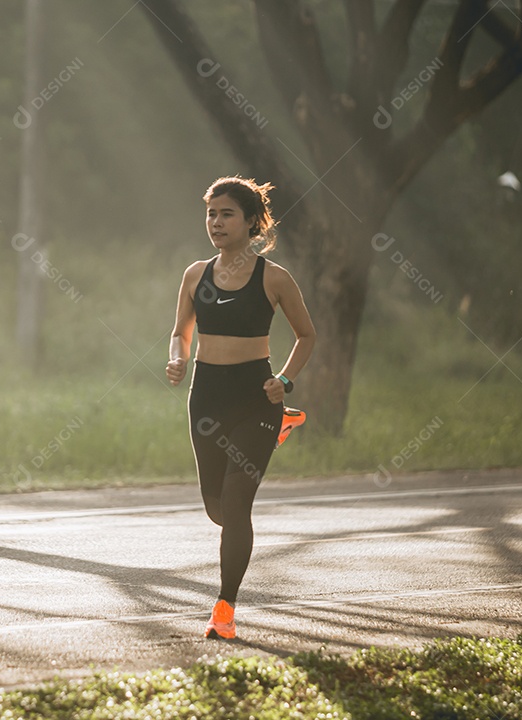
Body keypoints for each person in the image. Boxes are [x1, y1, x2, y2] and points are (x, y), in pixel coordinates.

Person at [166, 176, 315, 640]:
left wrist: (285, 380)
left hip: (257, 399)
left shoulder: (275, 278)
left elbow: (307, 336)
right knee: (216, 507)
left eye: (226, 213)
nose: (216, 222)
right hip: (207, 396)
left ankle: (224, 609)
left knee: (236, 503)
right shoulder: (195, 274)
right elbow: (180, 331)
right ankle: (280, 430)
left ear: (252, 222)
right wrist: (177, 357)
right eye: (211, 213)